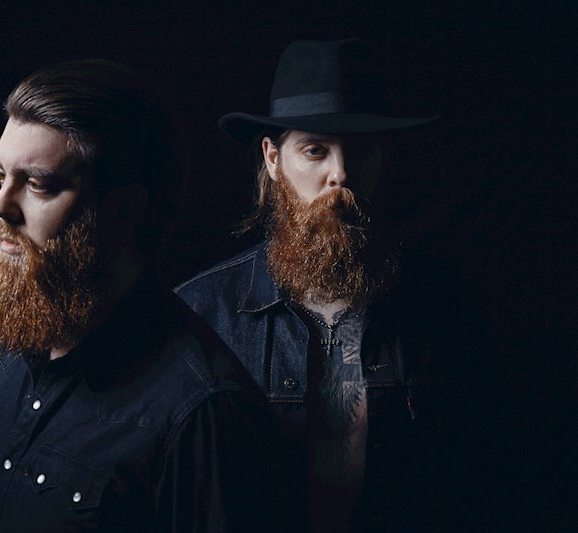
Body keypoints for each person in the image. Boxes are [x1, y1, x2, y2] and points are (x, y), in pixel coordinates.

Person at [0, 59, 287, 532]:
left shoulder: (203, 414)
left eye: (38, 185)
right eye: (0, 176)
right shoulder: (12, 339)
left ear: (123, 210)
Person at [177, 39, 486, 530]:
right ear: (273, 159)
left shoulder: (445, 304)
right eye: (315, 150)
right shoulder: (200, 313)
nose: (340, 174)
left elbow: (487, 478)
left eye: (359, 150)